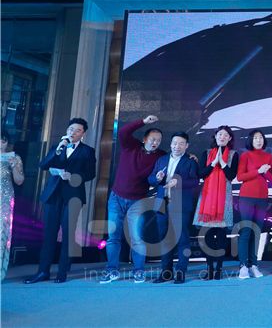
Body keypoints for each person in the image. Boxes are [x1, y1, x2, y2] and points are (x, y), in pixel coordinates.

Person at [25, 118, 97, 284]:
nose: (73, 132)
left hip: (73, 196)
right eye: (71, 129)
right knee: (49, 234)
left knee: (68, 233)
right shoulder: (57, 147)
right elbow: (44, 165)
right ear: (67, 130)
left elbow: (90, 174)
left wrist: (73, 177)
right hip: (53, 195)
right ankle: (43, 271)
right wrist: (59, 149)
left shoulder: (88, 151)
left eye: (78, 130)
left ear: (83, 134)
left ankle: (62, 271)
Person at [100, 115, 165, 284]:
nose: (155, 142)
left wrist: (191, 157)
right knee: (113, 237)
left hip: (138, 201)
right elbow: (123, 132)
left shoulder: (160, 157)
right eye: (152, 139)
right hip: (116, 198)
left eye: (158, 140)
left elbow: (175, 158)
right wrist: (143, 121)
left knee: (137, 238)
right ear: (144, 139)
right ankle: (112, 270)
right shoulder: (131, 146)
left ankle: (138, 271)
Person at [149, 132, 199, 284]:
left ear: (186, 146)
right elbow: (150, 179)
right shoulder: (162, 160)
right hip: (162, 203)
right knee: (165, 238)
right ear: (170, 144)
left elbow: (195, 182)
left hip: (180, 205)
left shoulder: (190, 162)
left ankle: (181, 271)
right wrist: (156, 178)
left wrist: (179, 182)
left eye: (181, 143)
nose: (177, 146)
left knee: (182, 238)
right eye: (175, 143)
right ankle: (166, 272)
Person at [194, 126, 238, 280]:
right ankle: (209, 268)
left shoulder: (233, 154)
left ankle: (218, 268)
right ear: (215, 136)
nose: (222, 137)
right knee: (207, 236)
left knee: (221, 236)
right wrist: (213, 163)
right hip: (207, 197)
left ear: (229, 138)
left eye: (226, 135)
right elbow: (201, 174)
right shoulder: (206, 153)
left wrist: (223, 163)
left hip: (224, 198)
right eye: (220, 134)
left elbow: (231, 176)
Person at [236, 129, 272, 279]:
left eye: (261, 138)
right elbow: (240, 177)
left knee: (256, 232)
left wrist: (265, 172)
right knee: (246, 230)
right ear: (251, 140)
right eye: (256, 138)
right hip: (247, 197)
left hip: (262, 198)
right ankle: (243, 266)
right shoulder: (245, 155)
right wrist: (258, 171)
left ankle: (254, 264)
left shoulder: (268, 156)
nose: (259, 140)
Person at [1, 131, 24, 281]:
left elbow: (19, 180)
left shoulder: (15, 158)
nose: (1, 144)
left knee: (2, 233)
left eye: (3, 141)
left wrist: (14, 165)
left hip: (4, 199)